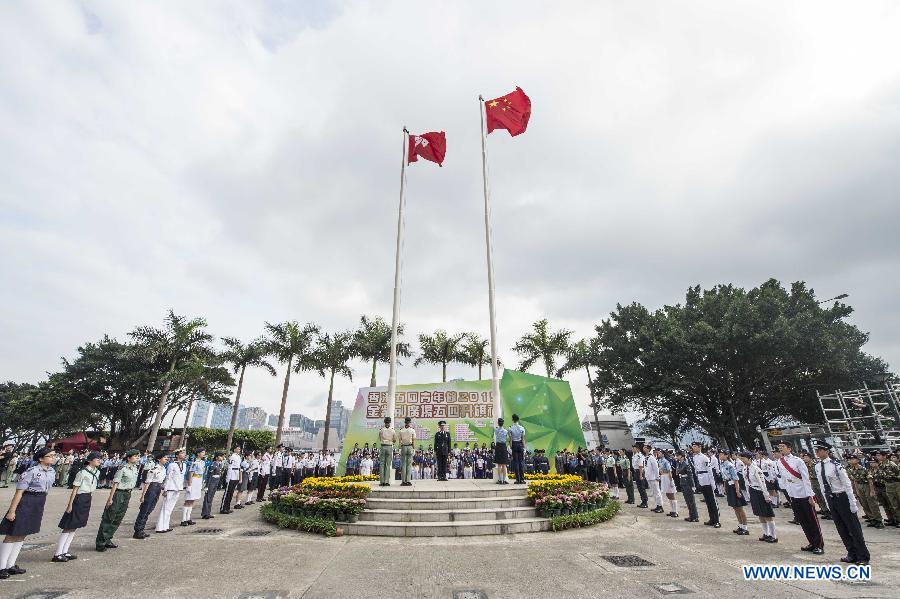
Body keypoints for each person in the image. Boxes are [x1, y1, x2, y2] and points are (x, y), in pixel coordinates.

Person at [0, 447, 56, 579]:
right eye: (50, 456)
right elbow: (19, 492)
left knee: (23, 533)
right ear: (41, 458)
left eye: (54, 455)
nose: (53, 457)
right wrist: (12, 511)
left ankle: (11, 565)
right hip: (27, 500)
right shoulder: (32, 471)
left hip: (39, 501)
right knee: (13, 533)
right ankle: (2, 566)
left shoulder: (52, 471)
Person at [814, 442, 870, 565]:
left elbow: (847, 484)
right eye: (816, 450)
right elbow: (822, 486)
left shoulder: (836, 465)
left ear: (827, 451)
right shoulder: (817, 466)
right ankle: (852, 553)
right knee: (842, 528)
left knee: (853, 528)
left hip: (842, 498)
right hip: (831, 498)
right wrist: (827, 503)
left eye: (820, 450)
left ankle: (863, 556)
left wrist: (852, 502)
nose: (817, 452)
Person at [53, 451, 102, 562]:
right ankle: (58, 554)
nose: (99, 460)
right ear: (90, 460)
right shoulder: (82, 473)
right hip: (79, 498)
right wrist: (70, 504)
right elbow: (74, 490)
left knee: (75, 526)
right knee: (69, 525)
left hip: (87, 498)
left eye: (100, 458)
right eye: (97, 458)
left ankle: (65, 551)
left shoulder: (97, 472)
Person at [776, 441, 823, 554]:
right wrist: (787, 494)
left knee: (812, 520)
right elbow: (783, 478)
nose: (781, 449)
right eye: (779, 447)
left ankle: (819, 545)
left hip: (803, 493)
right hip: (793, 494)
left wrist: (810, 495)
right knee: (803, 520)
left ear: (789, 449)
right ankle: (811, 542)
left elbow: (806, 478)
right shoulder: (779, 462)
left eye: (783, 447)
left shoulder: (798, 461)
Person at [95, 448, 139, 552]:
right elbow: (115, 483)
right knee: (109, 517)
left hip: (127, 494)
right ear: (129, 458)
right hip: (118, 493)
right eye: (135, 456)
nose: (137, 457)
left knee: (118, 517)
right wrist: (110, 498)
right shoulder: (122, 468)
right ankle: (100, 542)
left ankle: (108, 539)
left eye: (138, 456)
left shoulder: (135, 468)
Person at [739, 451, 777, 543]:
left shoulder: (756, 469)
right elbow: (747, 483)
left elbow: (762, 484)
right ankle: (766, 533)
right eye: (741, 459)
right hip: (753, 492)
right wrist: (749, 494)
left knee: (767, 514)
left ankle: (773, 536)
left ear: (749, 459)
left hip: (760, 492)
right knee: (760, 513)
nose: (742, 460)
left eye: (743, 459)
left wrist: (766, 496)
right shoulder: (745, 469)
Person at [133, 451, 167, 538]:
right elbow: (147, 483)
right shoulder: (153, 469)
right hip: (152, 488)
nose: (166, 459)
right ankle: (137, 531)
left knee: (149, 509)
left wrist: (164, 490)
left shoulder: (163, 469)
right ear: (159, 459)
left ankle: (142, 529)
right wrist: (143, 495)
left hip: (158, 489)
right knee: (144, 509)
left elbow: (162, 482)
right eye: (164, 457)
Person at [156, 449, 186, 533]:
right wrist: (165, 489)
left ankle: (165, 526)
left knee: (170, 508)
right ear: (177, 455)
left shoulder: (184, 464)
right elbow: (168, 477)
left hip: (178, 488)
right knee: (165, 507)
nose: (184, 454)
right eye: (182, 453)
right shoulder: (172, 465)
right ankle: (160, 527)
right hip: (170, 488)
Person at [691, 442, 720, 528]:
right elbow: (696, 470)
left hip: (707, 479)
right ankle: (711, 519)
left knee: (713, 501)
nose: (693, 448)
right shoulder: (695, 457)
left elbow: (710, 471)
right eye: (693, 447)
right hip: (701, 479)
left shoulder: (705, 457)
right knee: (707, 501)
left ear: (700, 447)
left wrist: (713, 484)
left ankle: (717, 520)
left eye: (695, 447)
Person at [720, 450, 749, 535]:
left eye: (721, 454)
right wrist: (725, 488)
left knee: (739, 507)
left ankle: (745, 527)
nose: (720, 456)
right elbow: (724, 479)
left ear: (726, 455)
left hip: (733, 486)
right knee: (735, 507)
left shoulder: (730, 465)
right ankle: (740, 525)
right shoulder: (722, 464)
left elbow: (735, 479)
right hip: (729, 486)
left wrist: (737, 490)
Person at [180, 448, 205, 526]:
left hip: (198, 480)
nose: (204, 454)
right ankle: (183, 519)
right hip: (193, 480)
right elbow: (191, 474)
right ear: (198, 454)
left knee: (192, 500)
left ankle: (188, 518)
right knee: (188, 500)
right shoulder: (195, 463)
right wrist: (189, 485)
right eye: (202, 452)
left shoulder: (202, 462)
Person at [675, 451, 698, 522]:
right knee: (687, 500)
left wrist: (693, 486)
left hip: (688, 483)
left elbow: (690, 476)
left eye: (677, 455)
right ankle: (691, 515)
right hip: (683, 482)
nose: (676, 457)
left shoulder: (686, 464)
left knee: (691, 501)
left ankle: (695, 516)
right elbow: (677, 472)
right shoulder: (679, 463)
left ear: (682, 456)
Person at [201, 451, 225, 519]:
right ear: (217, 457)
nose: (223, 457)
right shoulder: (213, 465)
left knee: (211, 498)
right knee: (208, 498)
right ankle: (205, 514)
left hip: (215, 482)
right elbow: (209, 476)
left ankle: (208, 512)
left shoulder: (219, 464)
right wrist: (207, 486)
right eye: (221, 456)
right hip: (211, 483)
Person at [220, 446, 242, 513]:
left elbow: (239, 468)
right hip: (231, 475)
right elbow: (230, 467)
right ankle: (223, 508)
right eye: (238, 449)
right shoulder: (232, 456)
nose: (239, 450)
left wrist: (238, 477)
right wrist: (228, 477)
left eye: (239, 449)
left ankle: (227, 507)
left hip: (236, 475)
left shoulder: (238, 457)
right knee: (227, 492)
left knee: (231, 492)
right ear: (234, 449)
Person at [377, 417, 397, 486]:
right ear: (390, 422)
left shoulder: (381, 430)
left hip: (383, 446)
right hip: (389, 447)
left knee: (382, 464)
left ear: (384, 422)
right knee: (388, 465)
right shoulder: (392, 431)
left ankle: (381, 482)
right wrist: (390, 441)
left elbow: (380, 438)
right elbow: (394, 440)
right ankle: (386, 482)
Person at [643, 445, 662, 512]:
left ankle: (660, 506)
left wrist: (657, 477)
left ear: (648, 449)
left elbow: (656, 468)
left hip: (653, 478)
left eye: (645, 447)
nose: (643, 448)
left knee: (657, 492)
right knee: (654, 493)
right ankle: (657, 505)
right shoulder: (646, 457)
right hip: (649, 477)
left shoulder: (651, 457)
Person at [657, 449, 677, 517]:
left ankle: (675, 511)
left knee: (671, 494)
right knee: (667, 494)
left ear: (663, 454)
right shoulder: (659, 460)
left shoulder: (666, 461)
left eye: (659, 453)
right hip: (663, 477)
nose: (658, 454)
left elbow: (669, 471)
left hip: (667, 477)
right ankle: (672, 510)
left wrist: (671, 481)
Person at [509, 414, 526, 484]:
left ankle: (517, 479)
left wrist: (511, 446)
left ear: (512, 419)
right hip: (520, 444)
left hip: (514, 444)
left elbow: (510, 439)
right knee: (521, 462)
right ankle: (522, 479)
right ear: (518, 420)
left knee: (516, 462)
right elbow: (523, 439)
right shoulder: (522, 428)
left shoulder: (510, 428)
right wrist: (524, 447)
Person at [398, 417, 416, 486]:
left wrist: (399, 448)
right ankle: (408, 481)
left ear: (405, 422)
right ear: (410, 422)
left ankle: (403, 481)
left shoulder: (401, 430)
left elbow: (400, 441)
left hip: (403, 447)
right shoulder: (412, 430)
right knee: (409, 465)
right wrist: (414, 449)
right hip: (410, 446)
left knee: (403, 464)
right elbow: (414, 440)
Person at [493, 418, 510, 484]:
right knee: (504, 465)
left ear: (498, 423)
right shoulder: (506, 431)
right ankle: (504, 480)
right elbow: (507, 438)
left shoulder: (496, 430)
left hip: (498, 446)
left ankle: (500, 480)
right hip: (503, 446)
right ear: (503, 423)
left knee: (499, 465)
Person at [632, 444, 648, 508]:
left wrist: (641, 475)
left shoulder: (639, 456)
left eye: (634, 448)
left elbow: (641, 466)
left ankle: (645, 502)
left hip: (639, 472)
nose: (632, 449)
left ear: (637, 449)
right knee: (639, 488)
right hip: (636, 471)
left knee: (642, 487)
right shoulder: (635, 456)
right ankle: (642, 501)